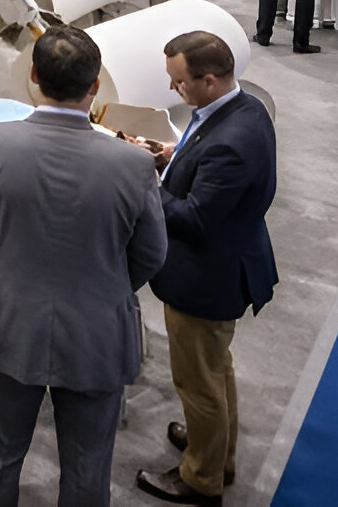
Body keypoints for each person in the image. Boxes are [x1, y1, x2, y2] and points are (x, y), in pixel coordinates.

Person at [0, 24, 167, 507]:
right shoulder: (134, 165)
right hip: (97, 335)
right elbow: (151, 253)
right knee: (88, 470)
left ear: (33, 77)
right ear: (94, 87)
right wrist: (106, 285)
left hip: (6, 325)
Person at [137, 32, 278, 507]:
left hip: (207, 276)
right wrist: (169, 160)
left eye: (180, 83)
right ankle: (218, 452)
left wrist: (144, 179)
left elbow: (196, 219)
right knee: (216, 371)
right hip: (224, 266)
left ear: (211, 80)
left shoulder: (232, 144)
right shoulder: (244, 108)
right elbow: (204, 170)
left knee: (197, 383)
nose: (176, 91)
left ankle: (201, 478)